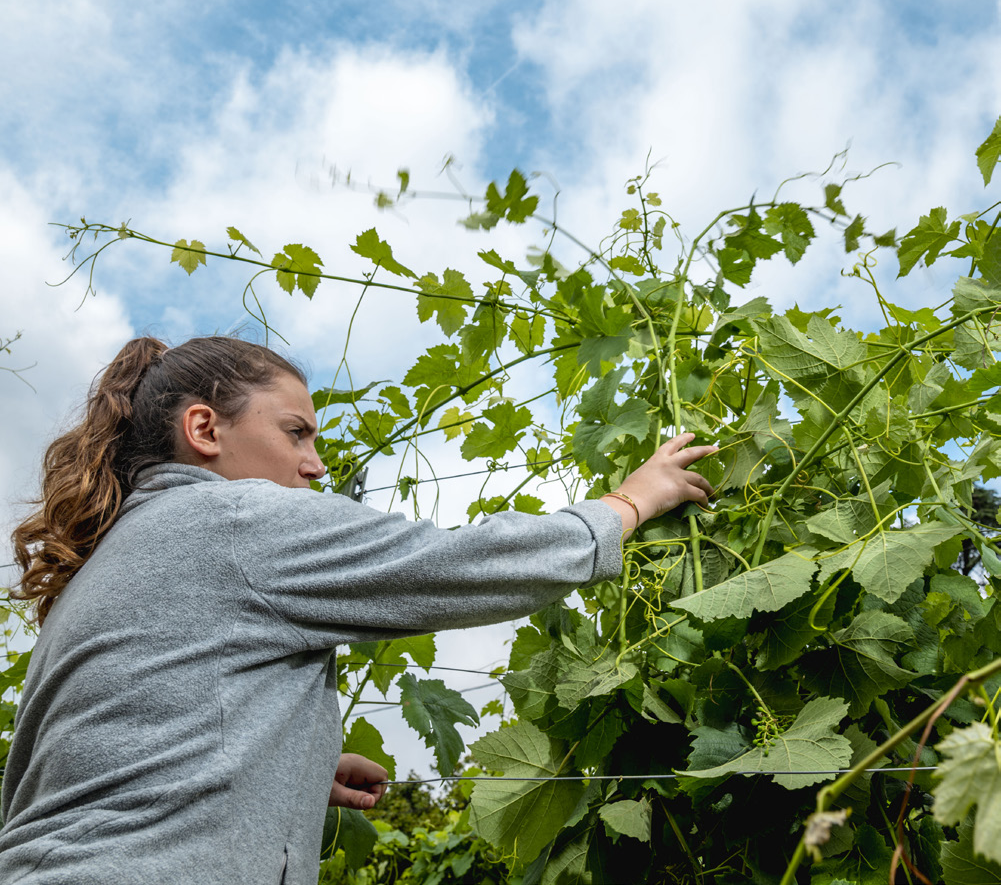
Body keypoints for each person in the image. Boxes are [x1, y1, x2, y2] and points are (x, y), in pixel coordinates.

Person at [0, 336, 716, 884]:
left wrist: (293, 755)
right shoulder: (237, 519)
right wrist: (627, 504)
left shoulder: (111, 561)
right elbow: (458, 565)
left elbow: (122, 741)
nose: (315, 463)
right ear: (205, 429)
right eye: (295, 432)